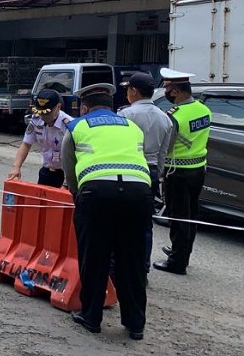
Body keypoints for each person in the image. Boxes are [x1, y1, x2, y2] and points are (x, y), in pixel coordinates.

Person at [61, 83, 152, 341]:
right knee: (131, 260)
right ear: (111, 107)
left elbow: (69, 168)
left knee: (95, 256)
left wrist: (79, 194)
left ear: (85, 107)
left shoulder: (77, 127)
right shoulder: (133, 127)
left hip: (97, 195)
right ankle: (136, 324)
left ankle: (91, 317)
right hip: (138, 195)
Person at [153, 68, 212, 276]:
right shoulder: (203, 109)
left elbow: (166, 147)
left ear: (176, 91)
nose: (166, 93)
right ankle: (183, 251)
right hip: (198, 170)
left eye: (168, 89)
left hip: (177, 172)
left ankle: (177, 262)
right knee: (191, 215)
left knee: (178, 217)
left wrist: (160, 171)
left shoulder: (174, 116)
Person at [117, 72, 173, 278]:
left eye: (127, 89)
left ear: (134, 91)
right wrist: (156, 176)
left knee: (120, 221)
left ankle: (120, 268)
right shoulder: (165, 118)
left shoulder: (125, 115)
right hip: (149, 171)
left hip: (128, 170)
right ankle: (143, 267)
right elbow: (163, 154)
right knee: (144, 224)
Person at [7, 89, 73, 188]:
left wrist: (67, 182)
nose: (43, 116)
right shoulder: (36, 120)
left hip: (66, 175)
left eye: (47, 113)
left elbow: (74, 155)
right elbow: (26, 144)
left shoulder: (69, 125)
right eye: (40, 113)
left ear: (58, 107)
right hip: (46, 172)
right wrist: (16, 167)